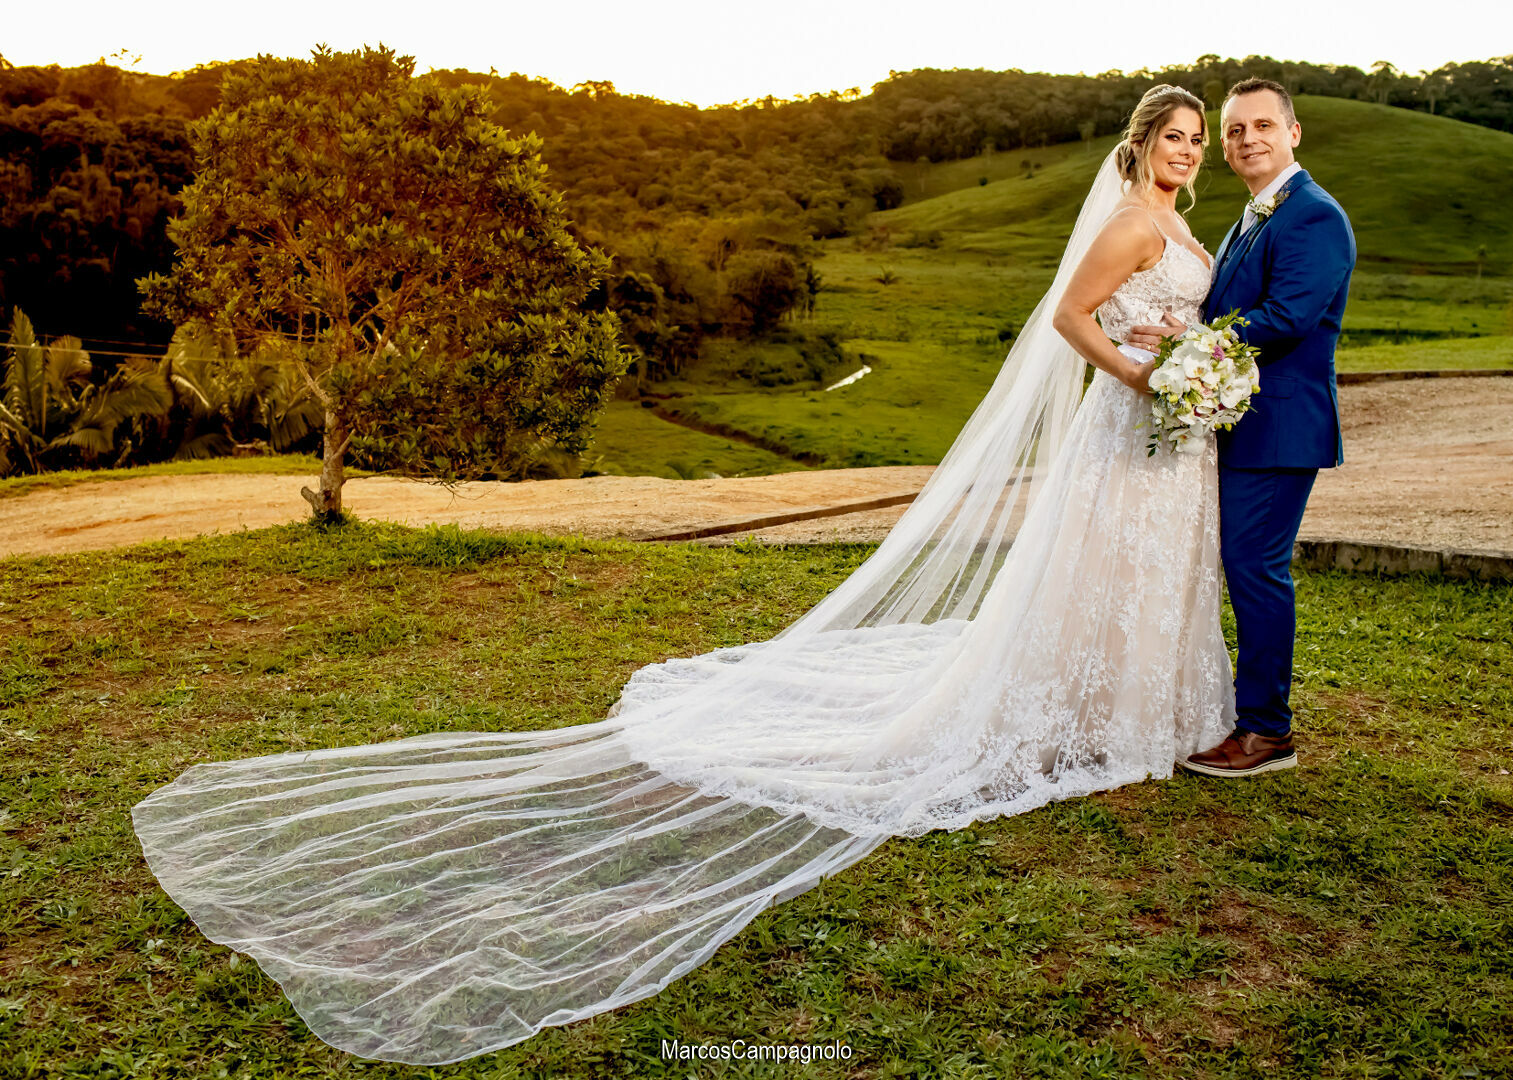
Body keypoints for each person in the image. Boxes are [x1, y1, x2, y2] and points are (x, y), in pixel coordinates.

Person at [132, 85, 1238, 1067]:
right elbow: (1068, 319)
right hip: (1129, 423)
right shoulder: (1133, 222)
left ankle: (1121, 707)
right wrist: (1147, 375)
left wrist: (1196, 379)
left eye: (1199, 140)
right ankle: (1080, 708)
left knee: (1133, 575)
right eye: (1176, 137)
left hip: (1172, 440)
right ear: (1141, 145)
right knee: (1098, 564)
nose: (1188, 152)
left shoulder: (1181, 222)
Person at [1127, 78, 1356, 778]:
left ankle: (1265, 733)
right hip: (1241, 421)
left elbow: (1287, 318)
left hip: (1281, 425)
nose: (1245, 138)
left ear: (1293, 133)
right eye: (1232, 131)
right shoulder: (1252, 215)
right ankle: (1244, 714)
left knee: (1255, 569)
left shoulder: (1311, 215)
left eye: (1260, 125)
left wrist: (1186, 339)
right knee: (1238, 565)